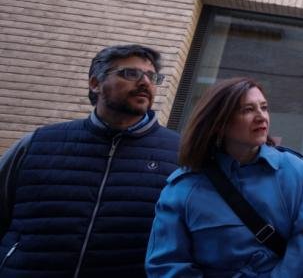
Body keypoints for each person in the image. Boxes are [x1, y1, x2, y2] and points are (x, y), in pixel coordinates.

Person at [0, 44, 180, 277]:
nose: (145, 82)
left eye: (152, 76)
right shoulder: (38, 143)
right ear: (95, 83)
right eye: (131, 73)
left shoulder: (179, 153)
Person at [146, 77, 303, 277]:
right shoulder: (184, 187)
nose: (261, 117)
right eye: (247, 110)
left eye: (264, 107)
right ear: (218, 123)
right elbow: (167, 263)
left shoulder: (294, 170)